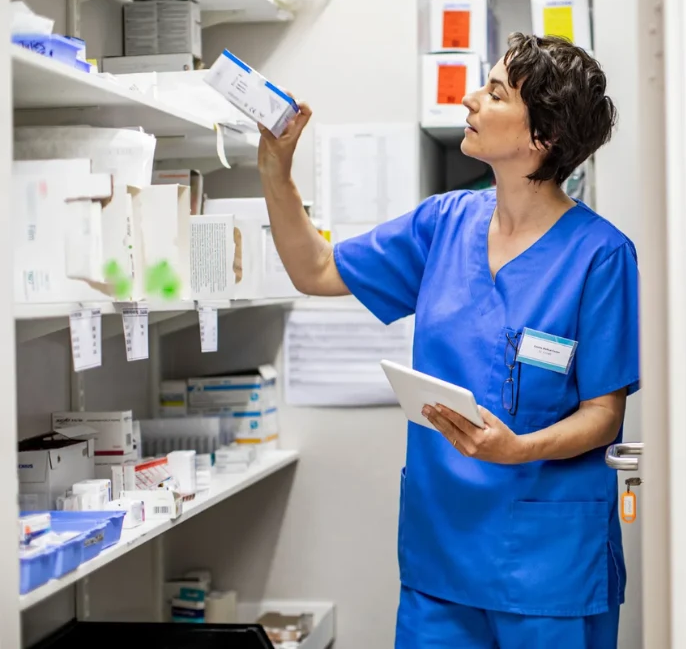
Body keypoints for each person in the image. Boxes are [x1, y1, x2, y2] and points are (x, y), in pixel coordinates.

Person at [257, 32, 641, 649]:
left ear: (542, 136)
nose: (468, 100)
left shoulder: (601, 257)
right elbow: (316, 270)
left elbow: (604, 414)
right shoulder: (444, 224)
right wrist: (277, 173)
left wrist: (519, 449)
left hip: (549, 570)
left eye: (493, 93)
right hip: (442, 557)